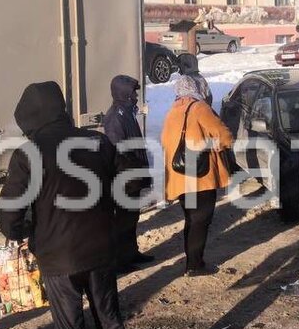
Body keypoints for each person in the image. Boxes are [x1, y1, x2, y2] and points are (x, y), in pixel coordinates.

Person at [0, 82, 134, 329]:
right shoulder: (97, 142)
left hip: (58, 257)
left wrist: (24, 230)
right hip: (102, 249)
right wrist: (110, 219)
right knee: (109, 320)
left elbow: (10, 215)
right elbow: (128, 187)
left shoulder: (29, 154)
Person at [160, 76, 235, 277]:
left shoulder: (173, 111)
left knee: (191, 220)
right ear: (198, 88)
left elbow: (166, 143)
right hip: (200, 177)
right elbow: (224, 135)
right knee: (201, 221)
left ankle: (192, 261)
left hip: (179, 176)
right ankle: (195, 265)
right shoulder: (200, 108)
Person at [101, 76, 154, 271]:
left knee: (132, 218)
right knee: (123, 220)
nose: (136, 94)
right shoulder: (115, 115)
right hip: (124, 177)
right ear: (123, 92)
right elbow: (118, 149)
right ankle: (120, 261)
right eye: (133, 91)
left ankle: (131, 253)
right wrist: (132, 167)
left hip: (133, 174)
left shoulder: (127, 112)